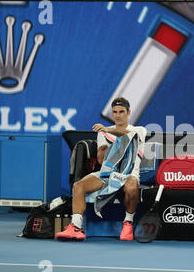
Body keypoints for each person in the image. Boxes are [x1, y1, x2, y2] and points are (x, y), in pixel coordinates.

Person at [56, 97, 147, 242]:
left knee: (131, 188)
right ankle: (76, 227)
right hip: (107, 175)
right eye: (115, 112)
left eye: (122, 112)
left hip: (129, 175)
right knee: (78, 186)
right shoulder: (103, 134)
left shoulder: (139, 130)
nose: (118, 115)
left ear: (129, 112)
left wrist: (108, 130)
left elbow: (128, 135)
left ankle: (128, 223)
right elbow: (101, 158)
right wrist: (112, 145)